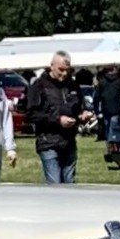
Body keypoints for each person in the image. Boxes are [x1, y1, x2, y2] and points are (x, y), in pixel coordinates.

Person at [27, 51, 91, 184]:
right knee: (55, 184)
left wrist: (82, 116)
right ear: (52, 66)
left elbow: (79, 108)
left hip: (69, 141)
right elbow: (32, 115)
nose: (65, 74)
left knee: (69, 182)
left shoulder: (73, 85)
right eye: (61, 70)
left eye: (68, 70)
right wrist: (57, 120)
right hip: (48, 141)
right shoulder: (39, 86)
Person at [92, 65, 120, 139]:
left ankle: (109, 143)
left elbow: (96, 97)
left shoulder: (102, 82)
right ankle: (114, 141)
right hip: (116, 108)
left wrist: (96, 110)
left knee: (107, 128)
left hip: (105, 109)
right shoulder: (119, 81)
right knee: (115, 128)